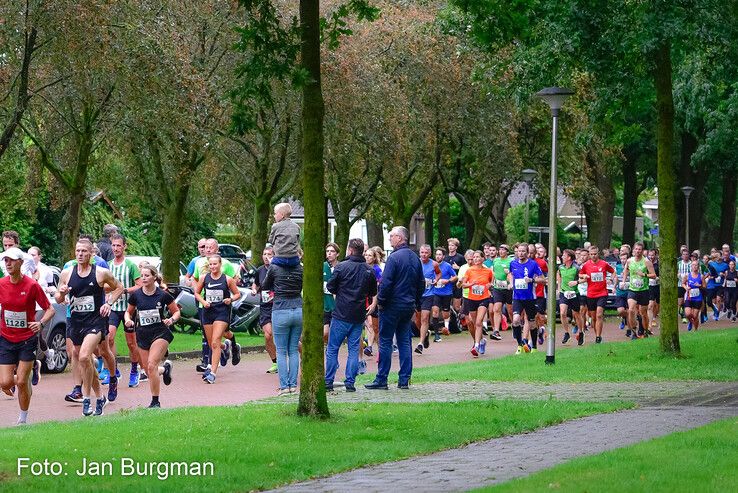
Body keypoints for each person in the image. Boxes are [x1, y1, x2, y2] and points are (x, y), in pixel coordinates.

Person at [56, 239, 123, 416]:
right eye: (77, 251)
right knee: (84, 360)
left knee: (88, 355)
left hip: (96, 321)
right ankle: (100, 397)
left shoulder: (101, 273)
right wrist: (62, 293)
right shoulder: (67, 273)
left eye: (84, 251)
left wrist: (108, 303)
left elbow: (119, 288)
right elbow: (58, 299)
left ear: (91, 254)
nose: (80, 254)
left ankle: (89, 397)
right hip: (76, 321)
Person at [0, 248, 55, 424]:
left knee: (22, 382)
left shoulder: (31, 285)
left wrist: (41, 324)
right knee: (6, 383)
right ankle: (20, 376)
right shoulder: (1, 284)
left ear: (21, 262)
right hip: (6, 338)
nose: (8, 264)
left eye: (12, 260)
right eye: (6, 260)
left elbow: (50, 309)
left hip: (26, 339)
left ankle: (23, 419)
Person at [366, 226, 423, 390]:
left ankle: (382, 379)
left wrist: (381, 301)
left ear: (399, 238)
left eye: (391, 236)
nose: (389, 239)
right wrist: (416, 302)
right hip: (408, 305)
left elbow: (386, 283)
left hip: (392, 305)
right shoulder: (414, 257)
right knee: (405, 341)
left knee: (385, 341)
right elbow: (420, 283)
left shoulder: (394, 258)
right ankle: (404, 379)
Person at [324, 239, 378, 392]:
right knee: (353, 350)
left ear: (350, 250)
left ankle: (328, 381)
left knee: (333, 348)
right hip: (358, 314)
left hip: (341, 313)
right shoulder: (368, 270)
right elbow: (372, 292)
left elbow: (330, 286)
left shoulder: (341, 267)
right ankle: (350, 382)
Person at [124, 264, 179, 408]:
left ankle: (155, 401)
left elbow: (176, 312)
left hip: (160, 333)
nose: (143, 278)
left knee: (151, 364)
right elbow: (128, 312)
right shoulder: (136, 295)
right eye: (142, 276)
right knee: (149, 370)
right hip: (142, 334)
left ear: (154, 277)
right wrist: (128, 320)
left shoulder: (163, 295)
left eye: (147, 275)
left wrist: (171, 319)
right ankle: (165, 369)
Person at [193, 239, 241, 372]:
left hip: (222, 310)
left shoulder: (227, 269)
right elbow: (195, 285)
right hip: (207, 308)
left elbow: (235, 285)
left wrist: (229, 299)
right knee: (212, 343)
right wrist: (203, 302)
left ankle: (212, 371)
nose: (207, 249)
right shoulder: (200, 266)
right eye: (205, 247)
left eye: (210, 247)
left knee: (217, 339)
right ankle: (225, 349)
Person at [261, 249, 303, 395]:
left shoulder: (274, 268)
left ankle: (284, 386)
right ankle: (293, 385)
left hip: (280, 308)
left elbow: (265, 285)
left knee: (281, 350)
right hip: (298, 308)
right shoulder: (300, 268)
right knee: (293, 350)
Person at [105, 234, 145, 388]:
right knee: (109, 338)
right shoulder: (108, 265)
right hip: (113, 307)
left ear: (124, 246)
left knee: (131, 343)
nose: (115, 248)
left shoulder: (130, 265)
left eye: (118, 246)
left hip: (129, 308)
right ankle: (113, 371)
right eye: (113, 245)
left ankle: (134, 371)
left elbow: (139, 285)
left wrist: (124, 290)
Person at [508, 243, 545, 354]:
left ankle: (534, 347)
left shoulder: (533, 264)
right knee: (515, 320)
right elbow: (510, 274)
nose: (520, 253)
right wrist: (510, 283)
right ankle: (520, 345)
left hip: (530, 298)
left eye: (523, 251)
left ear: (528, 253)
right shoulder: (513, 263)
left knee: (532, 323)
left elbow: (543, 279)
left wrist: (532, 280)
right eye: (519, 251)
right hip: (517, 297)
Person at [579, 245, 615, 343]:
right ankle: (597, 335)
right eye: (591, 254)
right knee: (593, 317)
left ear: (598, 254)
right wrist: (584, 275)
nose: (593, 256)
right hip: (591, 294)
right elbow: (580, 274)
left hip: (602, 293)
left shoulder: (604, 264)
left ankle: (598, 337)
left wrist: (611, 279)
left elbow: (613, 271)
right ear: (589, 255)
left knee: (599, 315)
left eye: (595, 254)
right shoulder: (586, 265)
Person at [461, 251, 493, 357]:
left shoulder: (488, 271)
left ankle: (476, 345)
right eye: (474, 257)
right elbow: (463, 285)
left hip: (484, 298)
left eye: (478, 257)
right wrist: (471, 284)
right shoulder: (469, 271)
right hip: (471, 299)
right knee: (474, 323)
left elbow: (492, 283)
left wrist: (490, 286)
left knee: (479, 322)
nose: (476, 259)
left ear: (483, 258)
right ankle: (482, 341)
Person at [622, 242, 657, 339]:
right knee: (631, 310)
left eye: (639, 249)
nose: (637, 251)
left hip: (644, 290)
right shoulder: (629, 261)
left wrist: (644, 275)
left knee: (643, 313)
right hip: (633, 290)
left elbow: (654, 275)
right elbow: (626, 270)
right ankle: (633, 331)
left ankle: (645, 331)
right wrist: (624, 281)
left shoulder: (646, 262)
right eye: (636, 249)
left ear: (642, 251)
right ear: (633, 250)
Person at [252, 247, 278, 374]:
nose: (266, 256)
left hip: (278, 306)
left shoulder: (277, 270)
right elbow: (256, 283)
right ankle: (275, 361)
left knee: (276, 335)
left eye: (269, 254)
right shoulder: (260, 270)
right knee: (268, 335)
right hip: (265, 307)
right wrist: (254, 290)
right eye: (264, 253)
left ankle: (282, 359)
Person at [416, 244, 441, 354]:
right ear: (419, 253)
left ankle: (420, 344)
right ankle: (426, 334)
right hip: (417, 295)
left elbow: (439, 273)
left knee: (425, 318)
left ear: (430, 254)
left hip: (428, 294)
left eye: (426, 253)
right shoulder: (416, 263)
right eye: (422, 252)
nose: (424, 255)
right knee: (417, 321)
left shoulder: (434, 264)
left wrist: (436, 280)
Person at [431, 247, 458, 340]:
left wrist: (448, 281)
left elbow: (455, 277)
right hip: (435, 292)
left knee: (445, 314)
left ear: (443, 256)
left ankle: (446, 328)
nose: (438, 256)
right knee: (435, 312)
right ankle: (436, 335)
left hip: (446, 293)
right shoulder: (432, 265)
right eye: (437, 254)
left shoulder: (447, 266)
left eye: (440, 255)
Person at [558, 249, 583, 346]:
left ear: (569, 258)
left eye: (564, 255)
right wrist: (559, 288)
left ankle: (581, 332)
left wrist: (576, 282)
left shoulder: (576, 268)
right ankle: (566, 333)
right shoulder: (560, 267)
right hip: (564, 293)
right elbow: (559, 276)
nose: (562, 257)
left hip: (574, 293)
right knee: (562, 313)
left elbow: (584, 279)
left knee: (576, 314)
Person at [363, 247, 384, 357]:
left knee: (375, 327)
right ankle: (369, 347)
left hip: (374, 299)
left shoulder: (377, 269)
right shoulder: (362, 267)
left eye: (370, 255)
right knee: (370, 324)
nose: (367, 257)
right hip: (364, 299)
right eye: (366, 255)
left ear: (374, 257)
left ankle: (381, 349)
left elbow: (380, 285)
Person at [491, 245, 513, 340]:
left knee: (510, 310)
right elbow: (494, 273)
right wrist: (492, 282)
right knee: (496, 309)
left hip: (508, 289)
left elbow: (513, 273)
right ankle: (496, 331)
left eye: (503, 250)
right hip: (497, 288)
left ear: (507, 252)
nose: (501, 251)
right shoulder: (496, 260)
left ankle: (515, 326)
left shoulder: (511, 261)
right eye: (500, 249)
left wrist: (510, 276)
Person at [268, 202, 301, 268]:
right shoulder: (297, 227)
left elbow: (271, 241)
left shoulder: (276, 226)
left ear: (282, 215)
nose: (274, 216)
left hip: (280, 258)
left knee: (270, 270)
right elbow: (297, 242)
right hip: (293, 259)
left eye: (275, 213)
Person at [323, 243, 340, 343]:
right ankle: (328, 347)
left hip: (338, 306)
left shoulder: (341, 267)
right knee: (325, 333)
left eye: (332, 251)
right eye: (327, 251)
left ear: (337, 254)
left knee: (336, 333)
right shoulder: (323, 266)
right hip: (326, 305)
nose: (329, 253)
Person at [683, 259, 706, 331]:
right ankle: (690, 322)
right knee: (688, 314)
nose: (694, 266)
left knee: (695, 316)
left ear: (698, 267)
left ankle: (695, 330)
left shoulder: (701, 276)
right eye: (693, 265)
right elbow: (683, 283)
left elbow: (704, 286)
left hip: (698, 298)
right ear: (691, 266)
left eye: (696, 265)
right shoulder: (687, 275)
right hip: (689, 297)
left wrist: (699, 285)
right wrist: (686, 287)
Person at [445, 238, 466, 314]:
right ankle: (449, 324)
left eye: (452, 245)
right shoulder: (445, 258)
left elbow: (466, 269)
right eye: (449, 245)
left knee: (456, 307)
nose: (450, 247)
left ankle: (460, 320)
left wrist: (458, 268)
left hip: (457, 284)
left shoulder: (460, 257)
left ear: (456, 247)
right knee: (446, 306)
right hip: (447, 284)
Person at [648, 249, 660, 329]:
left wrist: (658, 278)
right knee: (650, 305)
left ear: (655, 255)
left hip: (658, 286)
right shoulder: (646, 263)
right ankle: (650, 323)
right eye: (650, 255)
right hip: (649, 286)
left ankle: (655, 317)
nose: (651, 257)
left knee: (657, 305)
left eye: (652, 255)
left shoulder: (659, 264)